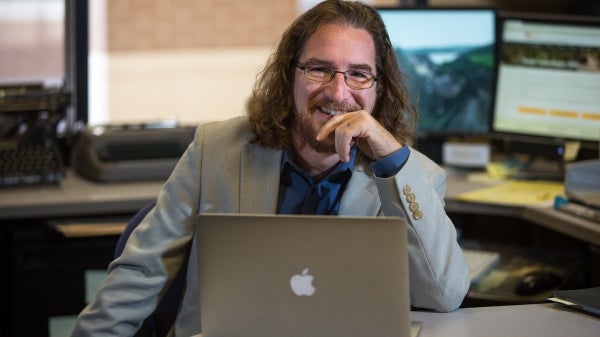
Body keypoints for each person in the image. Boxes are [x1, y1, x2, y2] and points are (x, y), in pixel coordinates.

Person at [71, 0, 469, 336]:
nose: (337, 91)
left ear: (380, 89)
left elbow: (444, 294)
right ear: (288, 75)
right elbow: (140, 274)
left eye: (359, 74)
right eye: (319, 69)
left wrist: (390, 157)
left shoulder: (414, 176)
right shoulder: (216, 150)